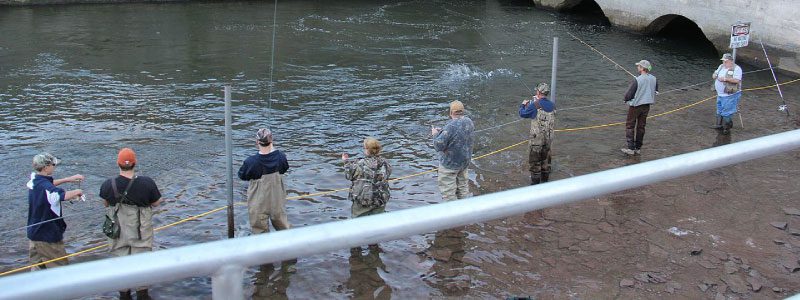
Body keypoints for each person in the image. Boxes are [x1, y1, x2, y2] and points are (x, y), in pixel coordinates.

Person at [99, 148, 162, 300]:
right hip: (140, 231)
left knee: (120, 264)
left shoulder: (108, 184)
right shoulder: (147, 182)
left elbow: (105, 204)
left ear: (118, 164)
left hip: (117, 232)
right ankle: (142, 294)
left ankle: (124, 295)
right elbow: (157, 203)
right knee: (142, 264)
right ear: (135, 163)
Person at [27, 152, 84, 270]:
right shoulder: (47, 189)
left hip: (34, 235)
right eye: (53, 164)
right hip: (47, 237)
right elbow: (59, 195)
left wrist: (68, 179)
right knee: (60, 270)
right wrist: (77, 191)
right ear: (46, 167)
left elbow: (48, 184)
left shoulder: (34, 181)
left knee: (37, 272)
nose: (55, 166)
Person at [237, 128, 291, 234]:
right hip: (277, 199)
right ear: (271, 140)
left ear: (257, 142)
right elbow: (284, 168)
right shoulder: (281, 157)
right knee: (283, 228)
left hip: (258, 201)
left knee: (259, 232)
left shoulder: (250, 162)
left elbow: (242, 176)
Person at [432, 100, 474, 201]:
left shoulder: (450, 127)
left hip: (449, 166)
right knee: (463, 189)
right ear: (463, 111)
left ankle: (454, 214)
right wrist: (443, 131)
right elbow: (457, 134)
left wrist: (435, 134)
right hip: (464, 163)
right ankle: (466, 212)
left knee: (449, 194)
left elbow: (438, 146)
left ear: (451, 113)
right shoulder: (469, 122)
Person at [342, 137, 392, 218]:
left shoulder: (359, 163)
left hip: (363, 200)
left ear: (367, 150)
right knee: (378, 221)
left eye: (364, 148)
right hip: (380, 199)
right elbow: (388, 173)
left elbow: (349, 176)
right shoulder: (386, 163)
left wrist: (346, 162)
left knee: (358, 222)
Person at [519, 83, 556, 185]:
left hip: (536, 140)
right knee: (545, 162)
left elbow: (522, 113)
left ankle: (535, 187)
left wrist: (523, 105)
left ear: (539, 92)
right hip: (548, 139)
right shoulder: (553, 105)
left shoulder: (534, 105)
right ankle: (546, 183)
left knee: (535, 164)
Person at [622, 60, 658, 155]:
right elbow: (656, 91)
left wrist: (625, 100)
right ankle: (638, 148)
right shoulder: (654, 78)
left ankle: (631, 148)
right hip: (647, 106)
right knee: (641, 127)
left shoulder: (637, 80)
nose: (637, 67)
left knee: (630, 126)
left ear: (642, 68)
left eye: (638, 66)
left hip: (635, 107)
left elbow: (629, 94)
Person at [711, 53, 743, 135]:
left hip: (730, 95)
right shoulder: (721, 66)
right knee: (719, 109)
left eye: (726, 61)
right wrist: (714, 75)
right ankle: (719, 125)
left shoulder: (737, 69)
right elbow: (715, 73)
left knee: (727, 111)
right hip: (720, 94)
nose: (724, 63)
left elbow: (737, 80)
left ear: (731, 61)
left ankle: (727, 128)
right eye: (723, 61)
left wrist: (725, 79)